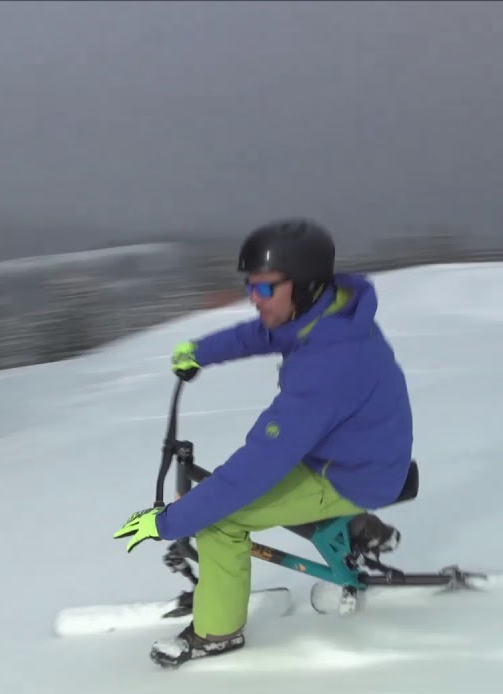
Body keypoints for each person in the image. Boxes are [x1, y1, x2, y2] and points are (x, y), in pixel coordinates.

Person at [113, 217, 415, 668]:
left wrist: (171, 521)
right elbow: (262, 332)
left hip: (354, 473)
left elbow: (260, 464)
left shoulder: (328, 364)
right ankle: (355, 529)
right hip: (354, 453)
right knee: (241, 491)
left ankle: (216, 633)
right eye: (251, 287)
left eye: (267, 288)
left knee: (221, 519)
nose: (255, 299)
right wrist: (201, 351)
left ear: (308, 286)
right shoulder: (329, 316)